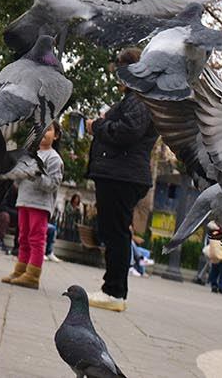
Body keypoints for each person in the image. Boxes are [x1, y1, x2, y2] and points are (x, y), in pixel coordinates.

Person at [86, 48, 158, 311]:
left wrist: (98, 126)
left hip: (121, 174)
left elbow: (129, 132)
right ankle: (113, 288)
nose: (116, 75)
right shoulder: (136, 98)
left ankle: (114, 292)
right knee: (114, 231)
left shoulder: (139, 98)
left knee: (115, 232)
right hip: (119, 173)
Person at [1, 122, 63, 290]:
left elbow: (53, 184)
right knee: (23, 238)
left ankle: (33, 275)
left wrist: (36, 175)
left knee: (36, 239)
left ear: (56, 135)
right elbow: (18, 180)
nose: (44, 132)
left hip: (40, 205)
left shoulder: (54, 158)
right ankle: (20, 270)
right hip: (23, 201)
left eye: (49, 129)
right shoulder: (29, 154)